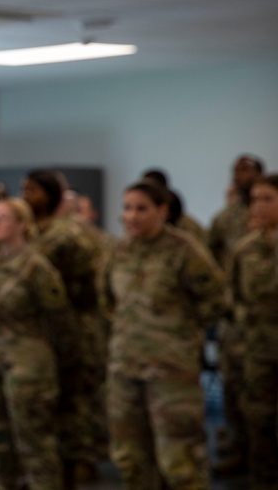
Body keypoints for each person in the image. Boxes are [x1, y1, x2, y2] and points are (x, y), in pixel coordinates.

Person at [101, 181, 226, 490]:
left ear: (162, 211)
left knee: (179, 462)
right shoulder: (117, 251)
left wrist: (176, 335)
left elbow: (215, 300)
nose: (131, 215)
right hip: (125, 369)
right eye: (127, 208)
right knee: (130, 458)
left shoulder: (185, 251)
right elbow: (106, 300)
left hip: (171, 372)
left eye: (141, 208)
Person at [0, 198, 75, 490]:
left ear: (22, 225)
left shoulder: (36, 267)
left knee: (35, 443)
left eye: (3, 218)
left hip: (28, 365)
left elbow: (60, 319)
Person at [21, 169, 105, 487]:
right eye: (24, 190)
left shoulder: (68, 234)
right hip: (38, 330)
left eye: (33, 190)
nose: (26, 196)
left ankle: (78, 460)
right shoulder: (26, 231)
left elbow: (88, 283)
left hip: (73, 326)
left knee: (74, 396)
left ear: (51, 195)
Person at [207, 154, 265, 474]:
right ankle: (241, 449)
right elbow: (210, 258)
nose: (240, 176)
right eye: (236, 171)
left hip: (267, 324)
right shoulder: (225, 218)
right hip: (235, 319)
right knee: (235, 388)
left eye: (247, 171)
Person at [230, 173, 278, 489]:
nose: (258, 206)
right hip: (259, 350)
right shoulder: (245, 249)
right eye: (254, 200)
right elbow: (231, 297)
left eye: (267, 199)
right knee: (258, 420)